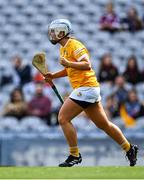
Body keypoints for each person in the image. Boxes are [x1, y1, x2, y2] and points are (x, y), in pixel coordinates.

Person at [44, 19, 138, 167]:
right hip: (87, 89)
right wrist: (53, 76)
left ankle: (74, 154)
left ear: (62, 32)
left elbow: (87, 64)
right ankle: (129, 148)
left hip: (85, 88)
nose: (51, 34)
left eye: (53, 31)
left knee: (62, 118)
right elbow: (70, 70)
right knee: (104, 124)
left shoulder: (74, 44)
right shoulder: (63, 48)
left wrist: (68, 63)